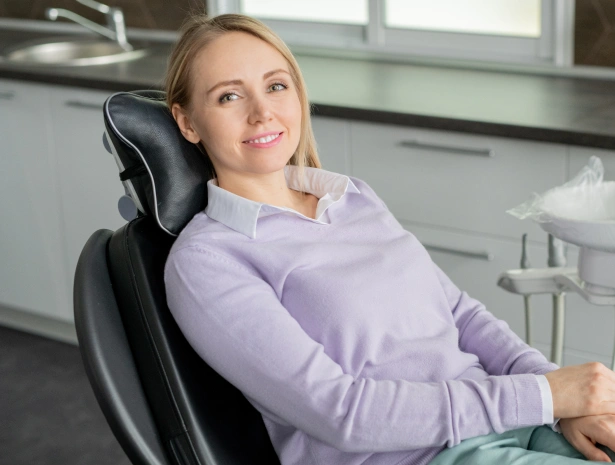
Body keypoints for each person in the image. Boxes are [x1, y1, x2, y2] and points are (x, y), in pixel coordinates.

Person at [163, 12, 615, 465]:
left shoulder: (350, 196)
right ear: (187, 122)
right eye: (229, 96)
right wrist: (544, 395)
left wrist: (568, 406)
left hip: (516, 423)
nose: (262, 112)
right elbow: (342, 414)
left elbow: (460, 315)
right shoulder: (209, 259)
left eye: (276, 86)